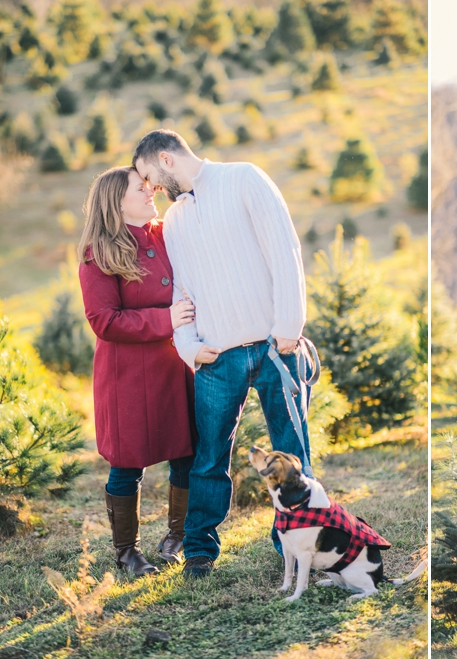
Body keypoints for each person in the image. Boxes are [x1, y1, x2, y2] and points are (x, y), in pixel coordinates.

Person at [131, 129, 310, 580]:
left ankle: (295, 544)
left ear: (167, 159)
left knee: (291, 453)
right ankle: (199, 553)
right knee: (209, 458)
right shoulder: (174, 221)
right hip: (217, 357)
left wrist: (289, 325)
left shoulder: (245, 179)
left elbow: (284, 249)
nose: (150, 188)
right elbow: (184, 289)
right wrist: (190, 347)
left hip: (275, 348)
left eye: (149, 176)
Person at [77, 166, 197, 575]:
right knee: (127, 464)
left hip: (175, 367)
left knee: (186, 453)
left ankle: (177, 537)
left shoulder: (165, 233)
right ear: (116, 201)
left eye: (150, 185)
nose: (150, 192)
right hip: (128, 376)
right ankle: (127, 552)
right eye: (140, 188)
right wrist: (167, 319)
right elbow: (104, 321)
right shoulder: (99, 252)